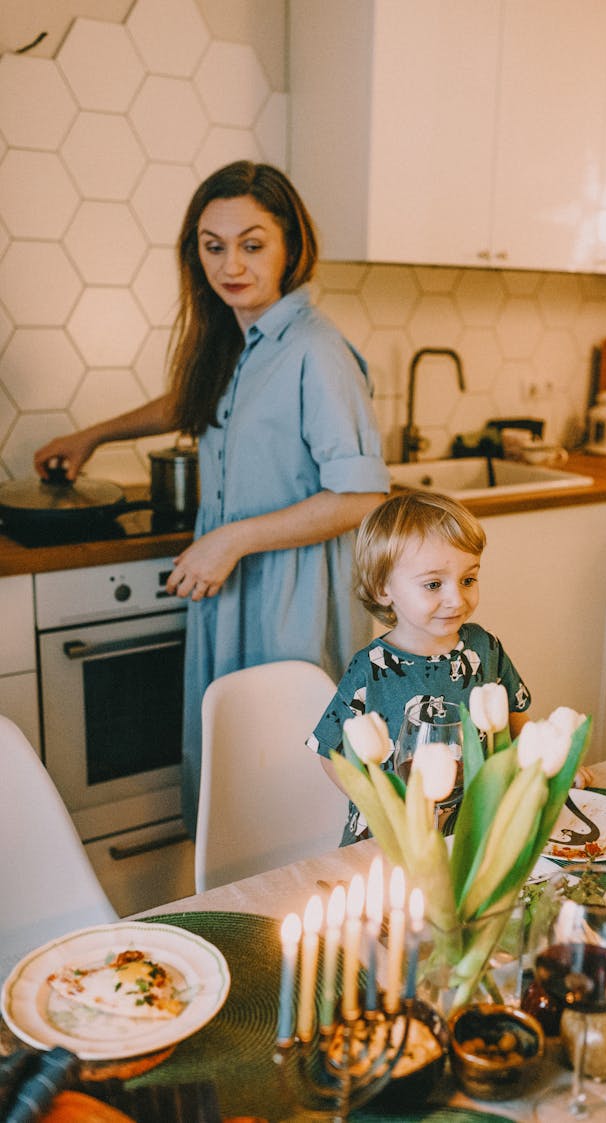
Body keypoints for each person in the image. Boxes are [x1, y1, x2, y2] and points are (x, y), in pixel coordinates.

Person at [34, 160, 390, 837]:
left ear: (291, 246)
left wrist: (230, 538)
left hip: (290, 597)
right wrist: (94, 435)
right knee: (237, 776)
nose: (231, 263)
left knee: (289, 786)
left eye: (252, 244)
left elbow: (363, 496)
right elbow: (193, 402)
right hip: (231, 589)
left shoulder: (316, 349)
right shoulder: (238, 339)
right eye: (212, 244)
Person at [307, 489, 533, 845]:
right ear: (384, 589)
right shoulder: (368, 668)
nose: (456, 598)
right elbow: (330, 752)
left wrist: (548, 764)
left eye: (468, 579)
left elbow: (518, 717)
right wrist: (377, 804)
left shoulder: (484, 647)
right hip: (391, 842)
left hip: (472, 835)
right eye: (433, 584)